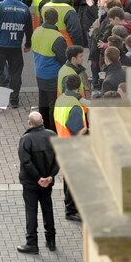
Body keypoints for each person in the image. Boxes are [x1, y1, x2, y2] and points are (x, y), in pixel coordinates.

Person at [17, 111, 58, 254]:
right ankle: (51, 240)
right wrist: (51, 176)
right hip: (48, 182)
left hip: (31, 183)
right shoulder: (52, 135)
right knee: (48, 209)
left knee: (31, 211)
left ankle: (32, 243)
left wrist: (38, 178)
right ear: (42, 122)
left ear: (29, 123)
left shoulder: (26, 139)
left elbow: (26, 162)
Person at [53, 73, 87, 222]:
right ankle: (71, 210)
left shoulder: (61, 100)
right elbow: (77, 129)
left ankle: (70, 208)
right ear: (78, 87)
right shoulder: (74, 105)